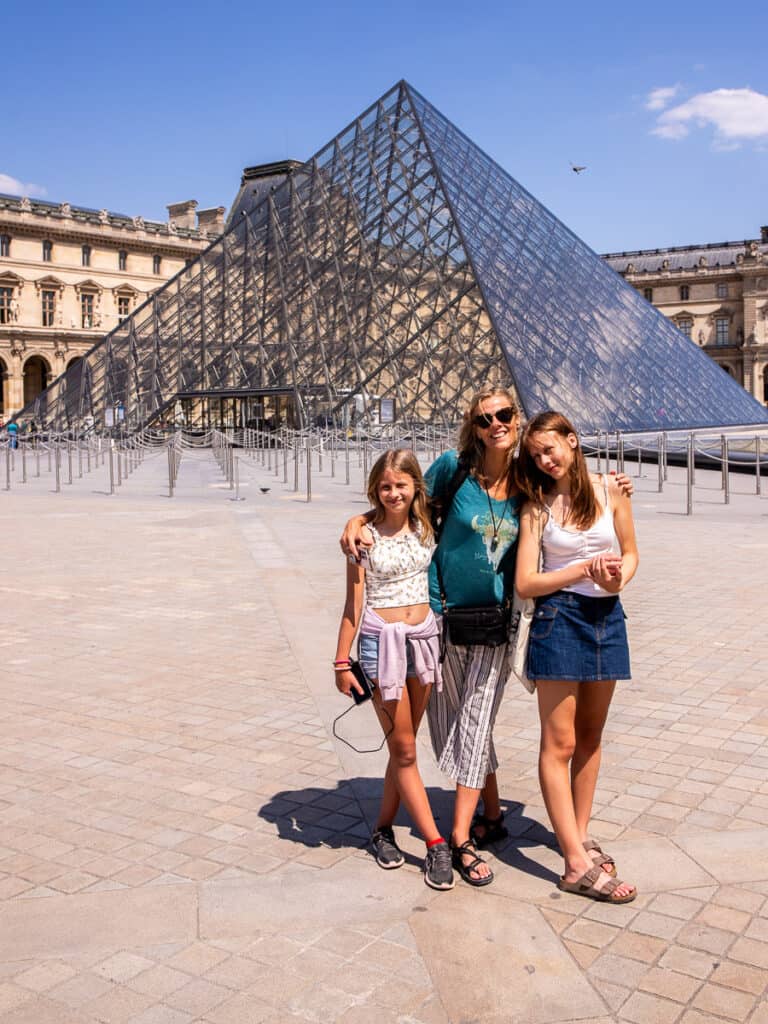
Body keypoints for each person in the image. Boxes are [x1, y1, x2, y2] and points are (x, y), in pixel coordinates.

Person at [514, 411, 639, 904]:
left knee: (591, 737)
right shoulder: (536, 508)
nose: (546, 461)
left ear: (572, 441)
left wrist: (617, 578)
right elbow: (526, 582)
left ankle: (580, 837)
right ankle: (572, 864)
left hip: (608, 616)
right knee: (559, 742)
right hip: (558, 620)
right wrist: (581, 569)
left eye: (551, 449)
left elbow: (630, 552)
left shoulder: (613, 491)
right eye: (537, 455)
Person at [334, 449, 453, 891]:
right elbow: (353, 603)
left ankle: (382, 830)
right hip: (379, 645)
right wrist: (341, 660)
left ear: (415, 486)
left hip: (422, 640)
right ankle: (435, 843)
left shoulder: (428, 526)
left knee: (403, 747)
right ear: (375, 490)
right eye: (385, 486)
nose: (393, 493)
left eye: (401, 485)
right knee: (404, 749)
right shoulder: (362, 537)